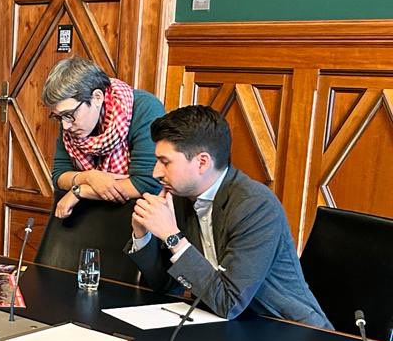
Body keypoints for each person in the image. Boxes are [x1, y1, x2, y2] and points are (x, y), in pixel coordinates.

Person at [128, 105, 332, 328]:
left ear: (202, 162)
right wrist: (142, 234)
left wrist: (172, 237)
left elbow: (229, 302)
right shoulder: (180, 196)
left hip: (288, 330)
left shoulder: (255, 205)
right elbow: (166, 286)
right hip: (228, 326)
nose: (156, 172)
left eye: (165, 162)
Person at [44, 57, 165, 219]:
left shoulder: (144, 108)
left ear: (97, 97)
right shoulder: (71, 121)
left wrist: (80, 190)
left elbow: (146, 183)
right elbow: (59, 176)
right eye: (58, 118)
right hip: (87, 217)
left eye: (69, 115)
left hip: (140, 217)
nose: (65, 126)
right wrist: (89, 177)